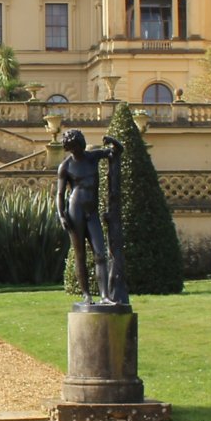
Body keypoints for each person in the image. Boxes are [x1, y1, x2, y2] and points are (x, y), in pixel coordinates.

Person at [56, 128, 120, 305]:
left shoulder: (92, 157)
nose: (79, 148)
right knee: (80, 255)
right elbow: (59, 194)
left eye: (80, 144)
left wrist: (113, 140)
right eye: (75, 146)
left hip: (92, 211)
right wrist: (61, 215)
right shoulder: (66, 166)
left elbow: (117, 151)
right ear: (70, 148)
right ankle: (86, 295)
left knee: (100, 253)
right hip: (75, 211)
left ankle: (105, 296)